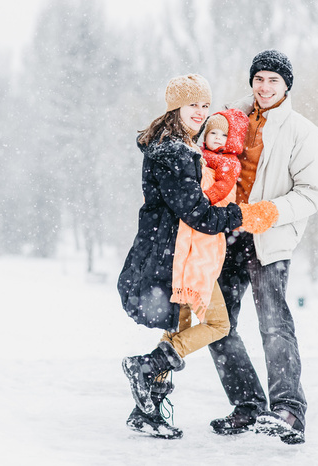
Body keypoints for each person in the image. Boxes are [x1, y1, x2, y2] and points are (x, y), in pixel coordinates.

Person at [117, 74, 277, 440]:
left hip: (174, 250)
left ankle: (146, 409)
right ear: (176, 105)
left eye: (205, 105)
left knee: (179, 325)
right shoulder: (175, 151)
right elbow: (198, 213)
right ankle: (148, 366)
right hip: (180, 255)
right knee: (217, 324)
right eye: (193, 105)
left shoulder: (175, 145)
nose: (200, 112)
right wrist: (243, 215)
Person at [207, 50, 318, 445]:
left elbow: (311, 193)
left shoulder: (302, 131)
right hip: (225, 234)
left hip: (268, 239)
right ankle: (248, 406)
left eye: (273, 80)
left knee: (274, 325)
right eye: (259, 78)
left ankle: (289, 410)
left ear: (286, 85)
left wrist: (268, 212)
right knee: (216, 325)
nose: (265, 86)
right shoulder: (229, 121)